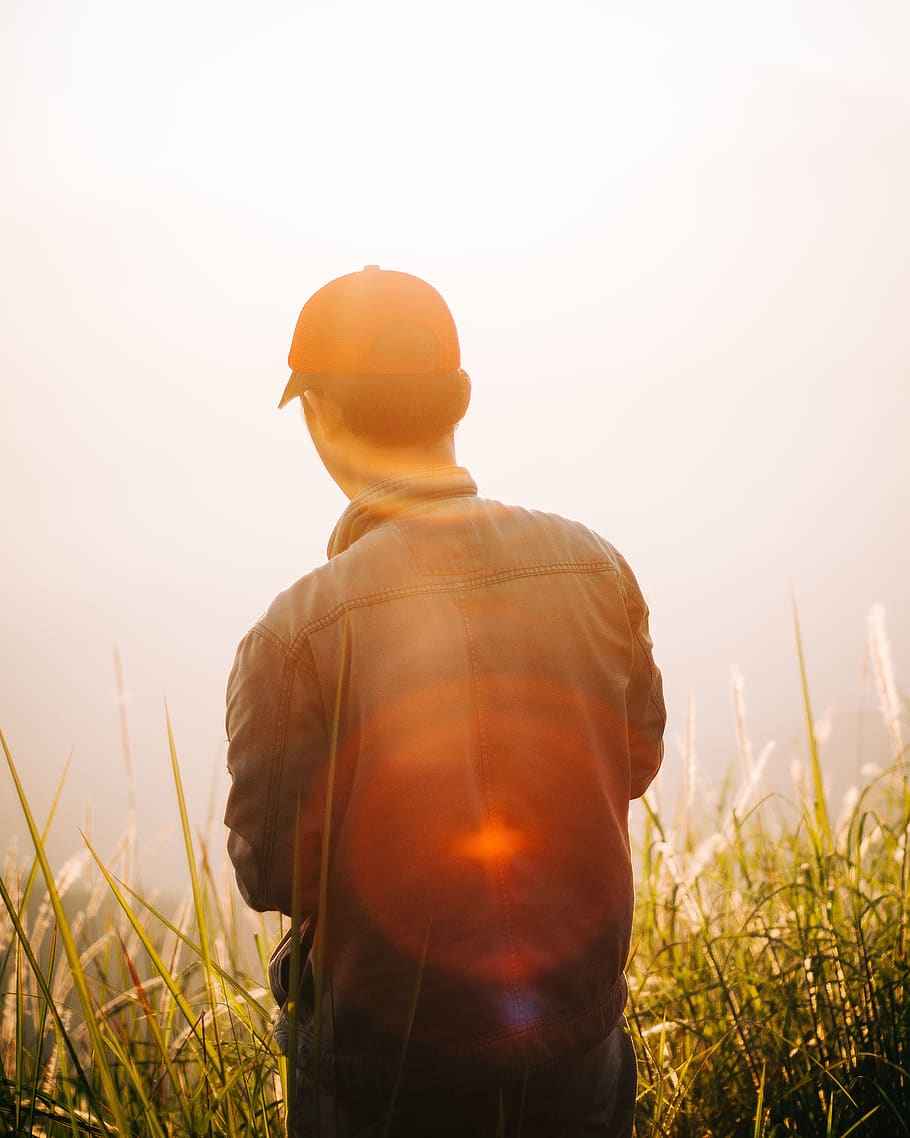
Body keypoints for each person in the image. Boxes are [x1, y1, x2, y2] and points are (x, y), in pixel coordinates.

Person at [224, 265, 665, 1137]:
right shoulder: (595, 570)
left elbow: (270, 871)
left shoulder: (294, 637)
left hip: (381, 1087)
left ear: (319, 417)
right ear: (459, 399)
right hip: (578, 1057)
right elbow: (635, 760)